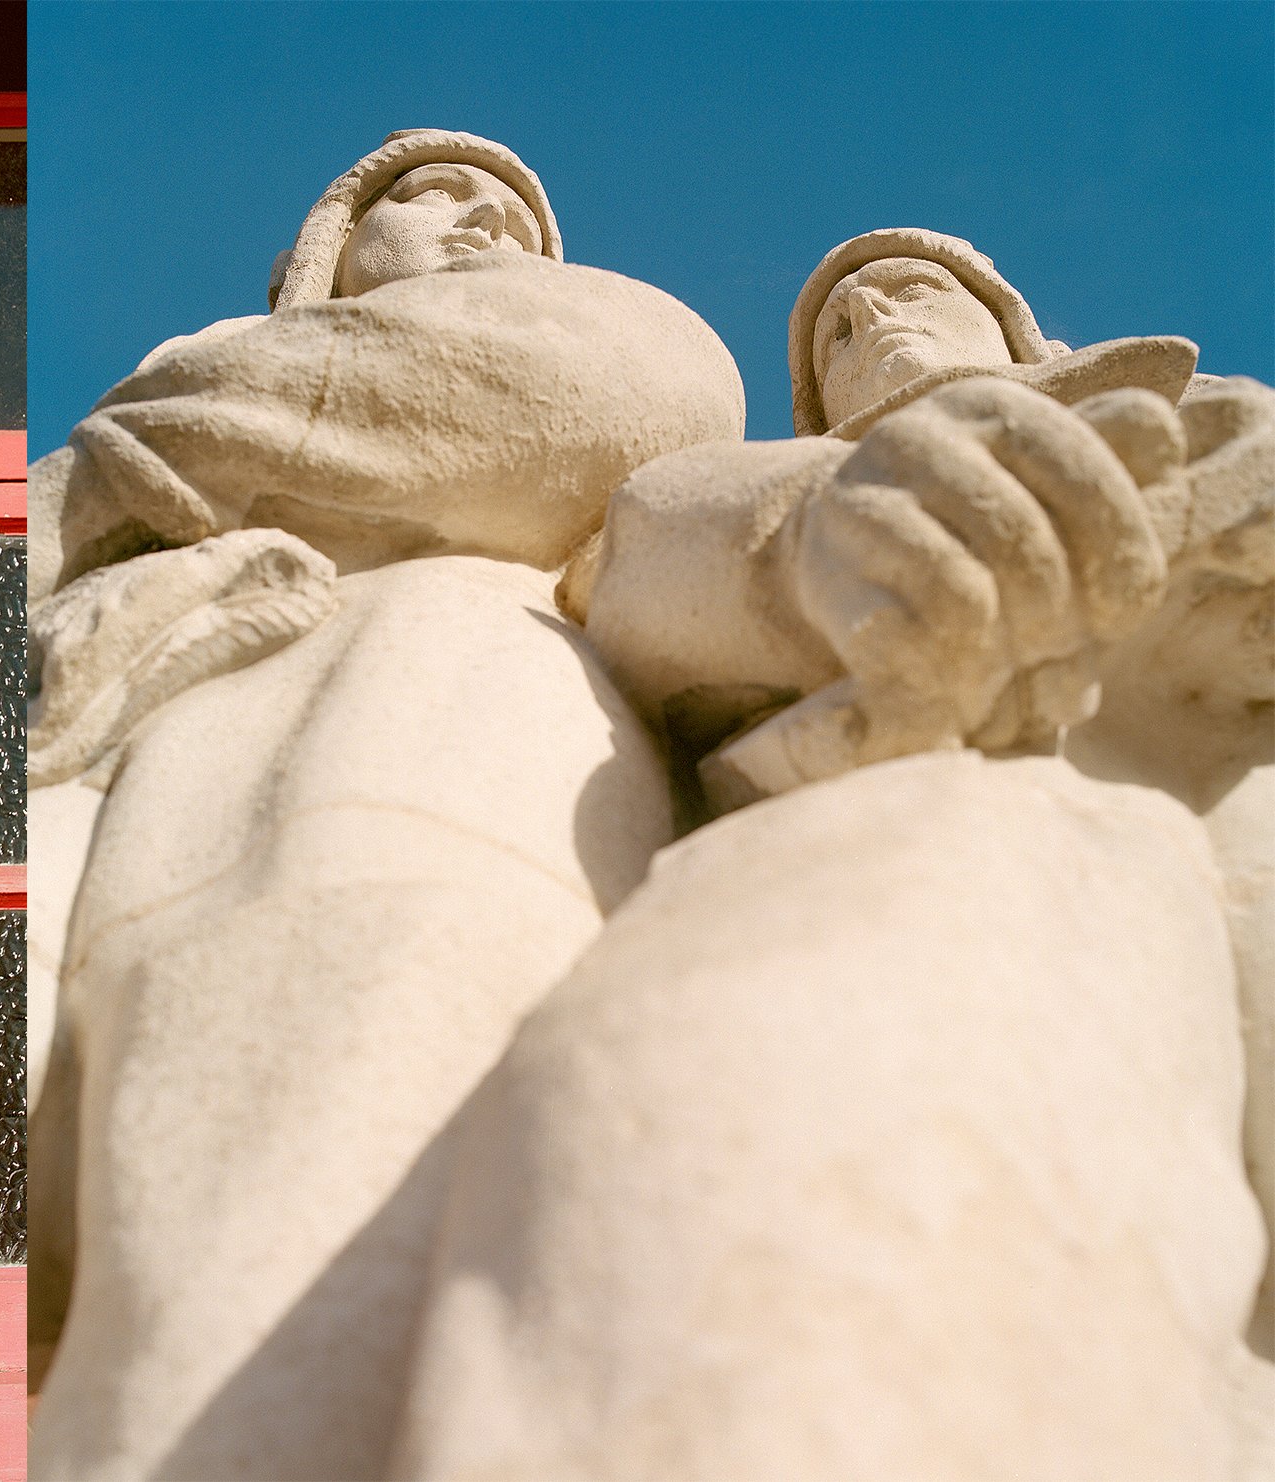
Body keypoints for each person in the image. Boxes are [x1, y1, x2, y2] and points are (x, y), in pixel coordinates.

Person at [383, 231, 1275, 1479]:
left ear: (1015, 329)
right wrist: (827, 535)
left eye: (908, 295)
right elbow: (635, 571)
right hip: (927, 837)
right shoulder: (764, 480)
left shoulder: (1222, 416)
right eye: (835, 338)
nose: (873, 328)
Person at [28, 131, 744, 1479]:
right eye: (432, 197)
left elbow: (620, 394)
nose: (482, 224)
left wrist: (130, 456)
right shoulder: (193, 391)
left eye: (515, 219)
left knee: (310, 1226)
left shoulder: (185, 406)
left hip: (432, 717)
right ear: (333, 246)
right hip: (120, 738)